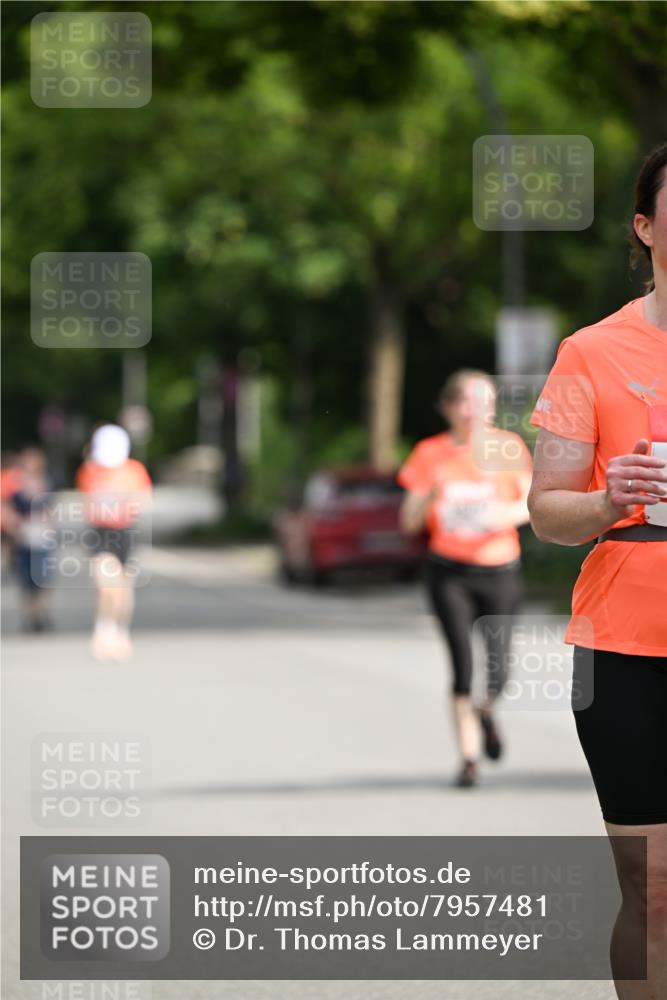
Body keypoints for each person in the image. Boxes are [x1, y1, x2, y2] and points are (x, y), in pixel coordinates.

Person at [528, 142, 667, 999]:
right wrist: (608, 497)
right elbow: (546, 512)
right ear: (645, 228)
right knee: (652, 890)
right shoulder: (589, 352)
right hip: (624, 647)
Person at [398, 369, 532, 788]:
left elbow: (532, 505)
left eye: (485, 403)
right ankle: (468, 759)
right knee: (461, 666)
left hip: (499, 569)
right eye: (467, 403)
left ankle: (487, 711)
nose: (476, 412)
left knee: (499, 673)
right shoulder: (430, 453)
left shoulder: (508, 448)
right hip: (449, 572)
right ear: (449, 407)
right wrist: (434, 495)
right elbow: (408, 522)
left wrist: (498, 516)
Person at [76, 424, 151, 661]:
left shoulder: (134, 470)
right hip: (101, 533)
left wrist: (128, 503)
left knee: (123, 587)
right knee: (106, 584)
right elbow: (86, 502)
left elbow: (144, 500)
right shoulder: (90, 470)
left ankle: (120, 631)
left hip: (125, 532)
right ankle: (102, 630)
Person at [7, 447, 54, 632]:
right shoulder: (16, 486)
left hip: (42, 538)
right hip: (24, 538)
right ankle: (29, 615)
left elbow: (50, 510)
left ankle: (41, 613)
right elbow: (9, 509)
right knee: (26, 580)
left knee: (42, 578)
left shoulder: (46, 483)